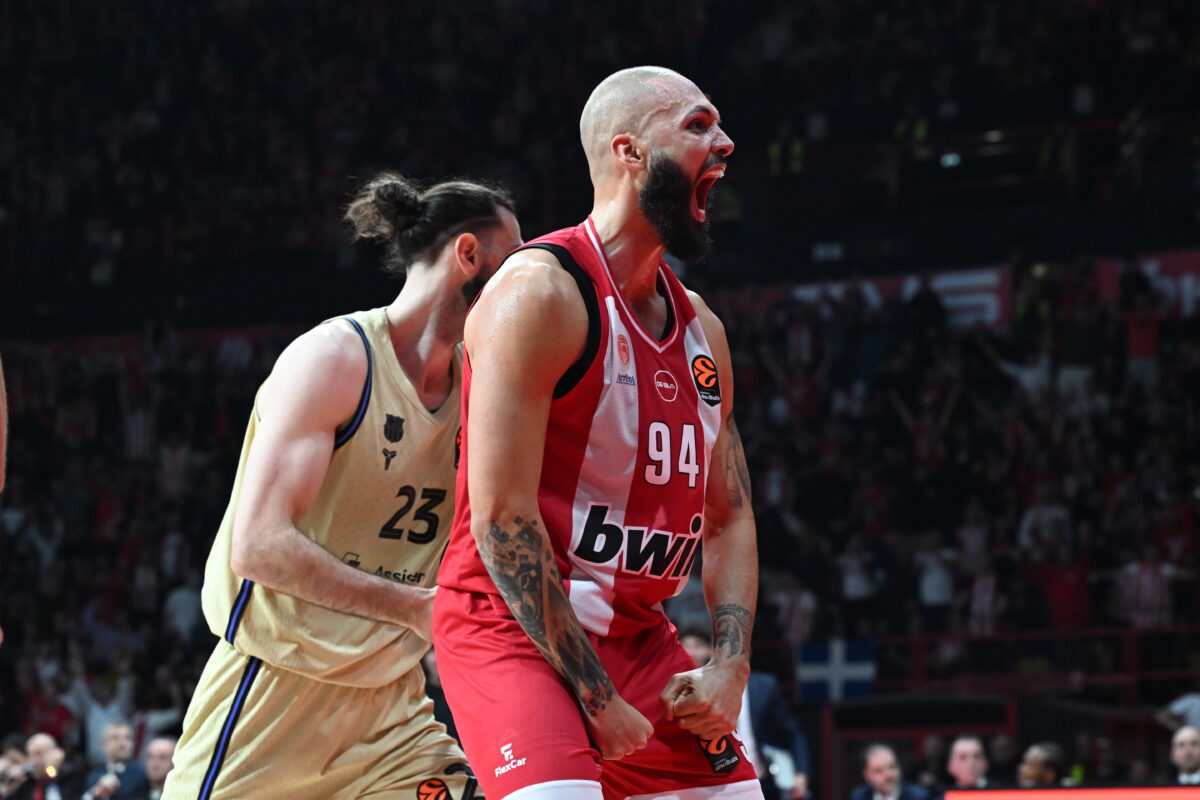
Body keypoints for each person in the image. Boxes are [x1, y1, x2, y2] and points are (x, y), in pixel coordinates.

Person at [433, 65, 760, 800]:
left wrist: (730, 666)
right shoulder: (540, 293)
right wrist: (595, 694)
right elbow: (501, 518)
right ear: (629, 152)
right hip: (512, 628)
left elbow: (730, 515)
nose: (725, 142)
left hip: (639, 639)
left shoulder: (703, 330)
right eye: (698, 125)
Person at [162, 173, 522, 800]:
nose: (527, 285)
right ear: (468, 254)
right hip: (275, 697)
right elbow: (259, 546)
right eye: (514, 263)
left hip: (392, 715)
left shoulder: (483, 388)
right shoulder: (336, 358)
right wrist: (413, 607)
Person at [680, 627, 810, 799]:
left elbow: (792, 733)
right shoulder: (699, 688)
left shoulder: (765, 687)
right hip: (714, 786)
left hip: (762, 782)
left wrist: (801, 773)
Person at [82, 722, 149, 800]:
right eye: (115, 738)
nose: (122, 744)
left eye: (127, 738)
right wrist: (95, 793)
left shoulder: (143, 774)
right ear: (104, 745)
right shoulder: (93, 777)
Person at [850, 744, 929, 800]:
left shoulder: (918, 796)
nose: (888, 774)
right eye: (879, 771)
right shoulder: (859, 797)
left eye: (892, 767)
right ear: (866, 775)